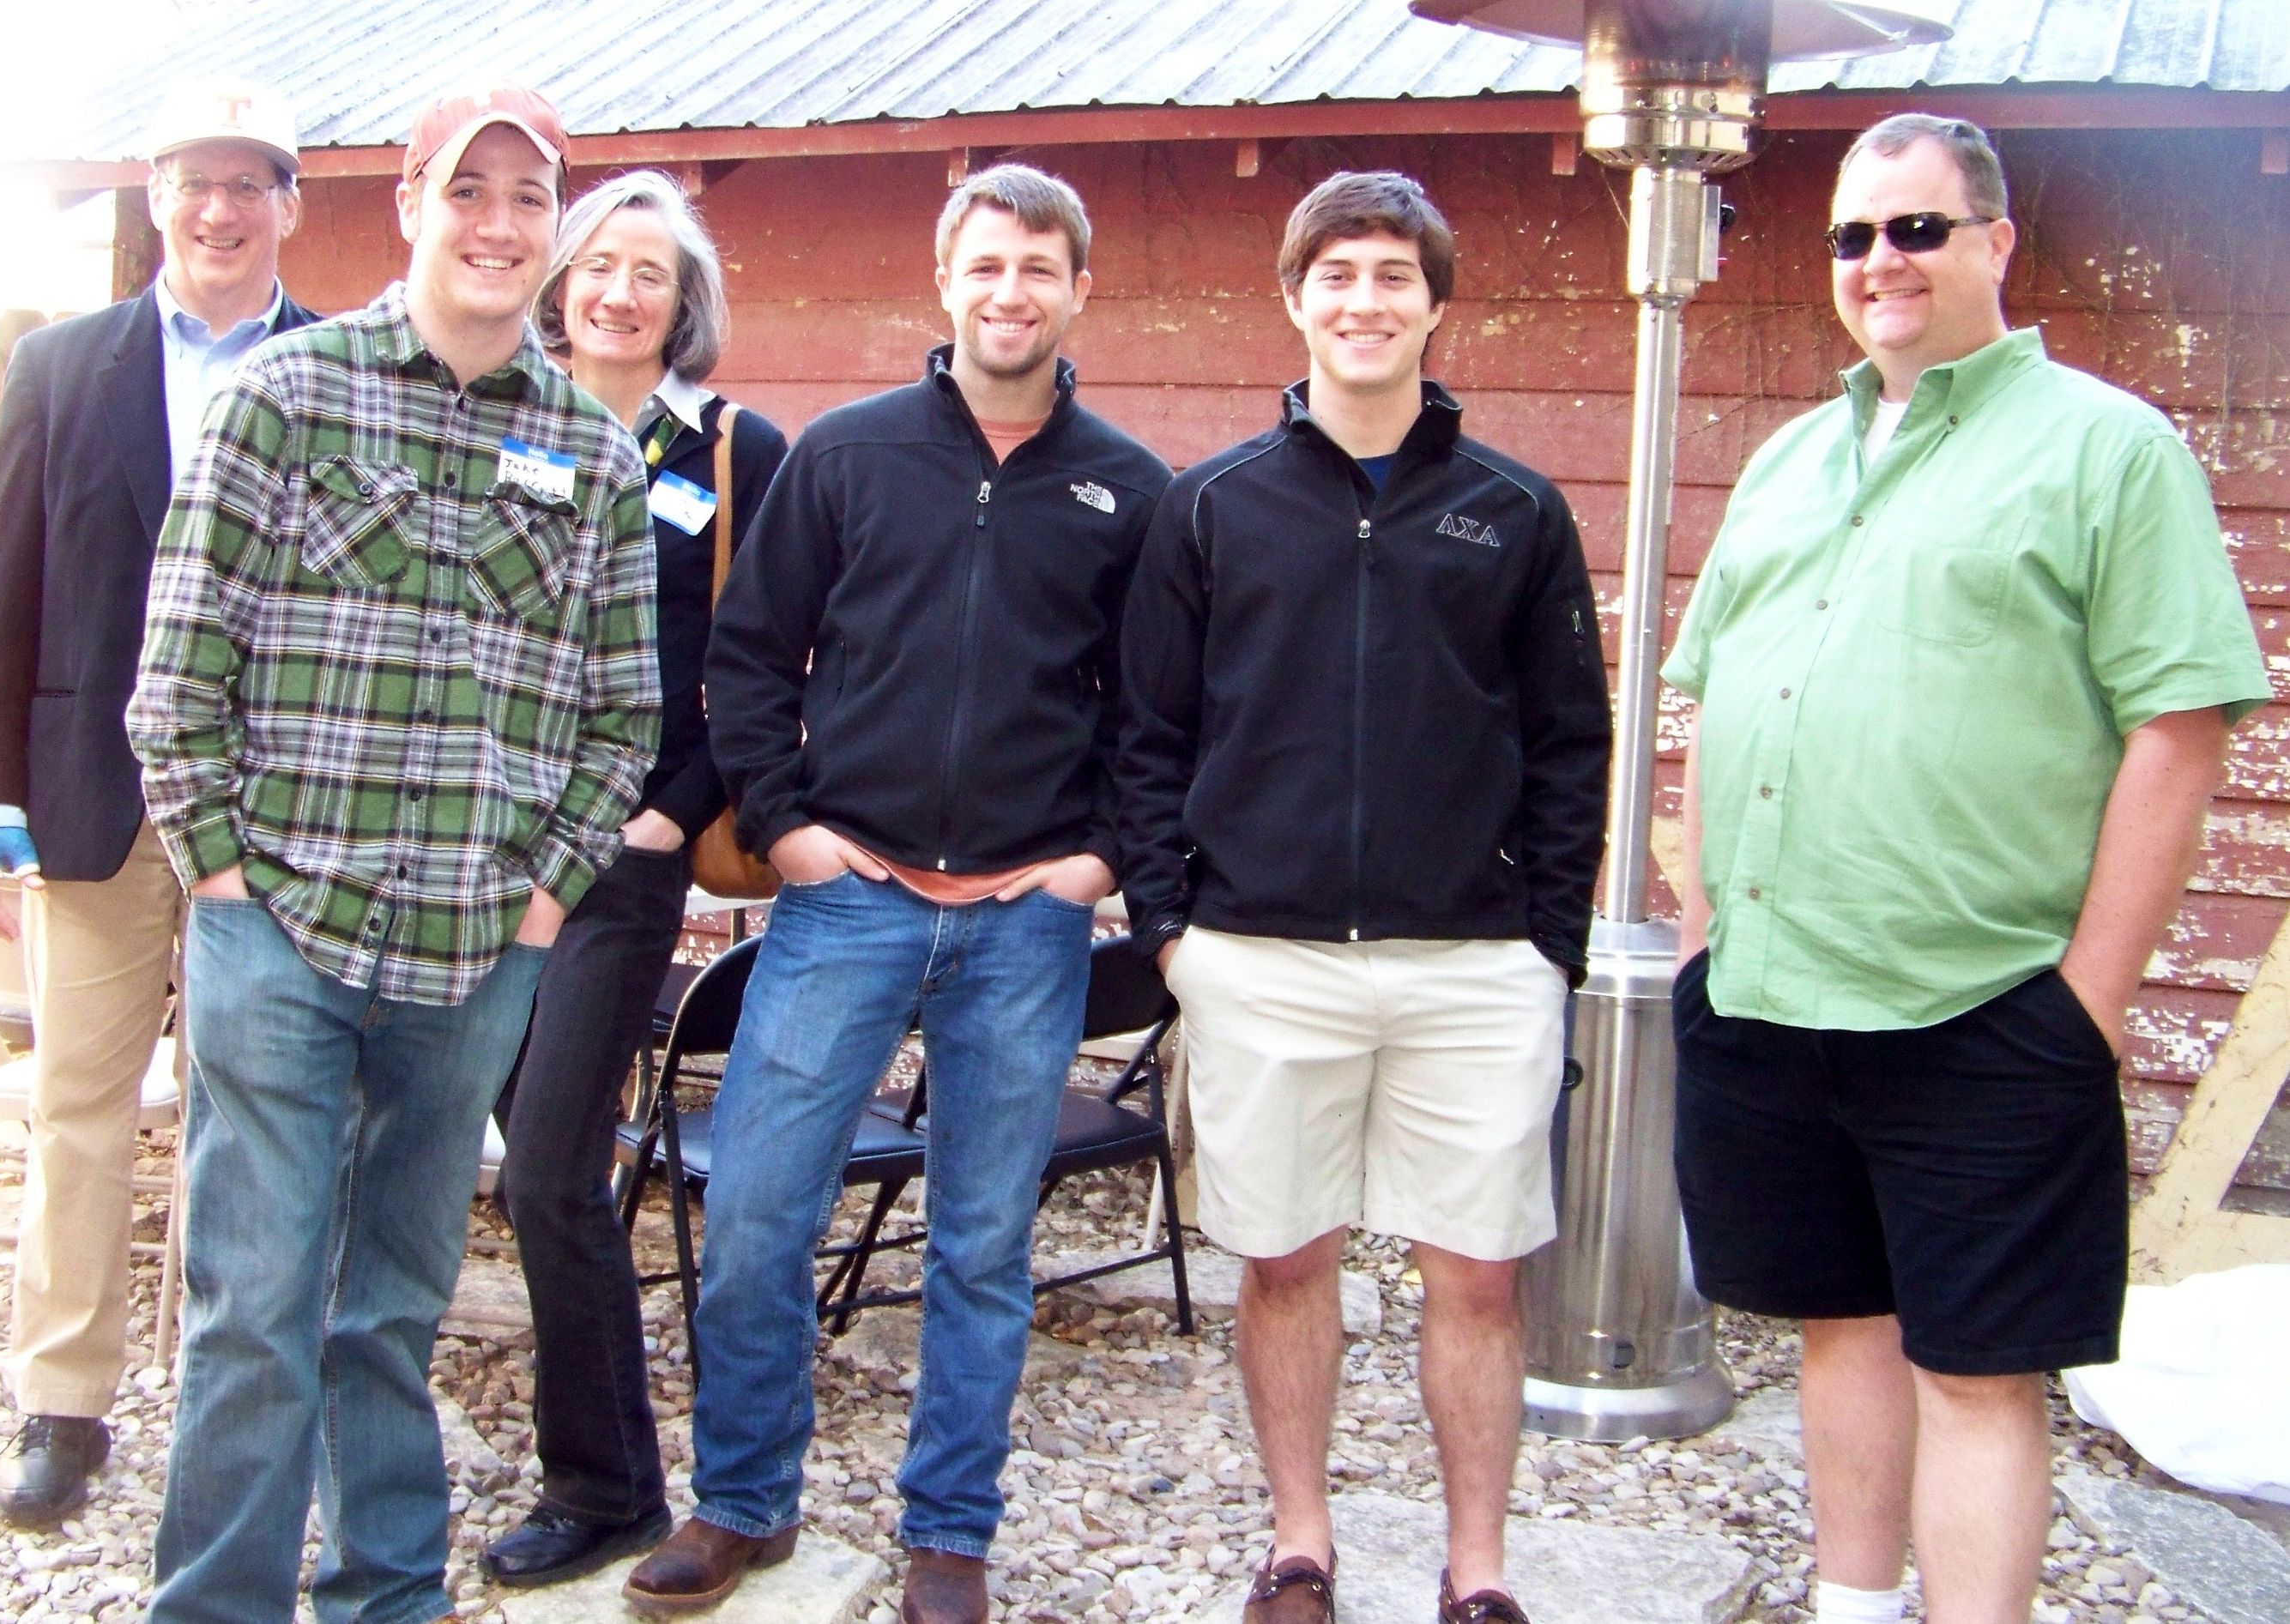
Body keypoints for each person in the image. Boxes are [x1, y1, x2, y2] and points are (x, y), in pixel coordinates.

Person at [1665, 114, 2269, 1624]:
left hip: (1984, 1005)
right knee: (1839, 1326)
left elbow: (2178, 727)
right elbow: (1710, 699)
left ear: (1994, 243)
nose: (1879, 260)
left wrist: (2085, 1003)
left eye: (1916, 229)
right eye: (1852, 236)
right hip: (1771, 993)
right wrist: (1697, 934)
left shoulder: (2105, 448)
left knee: (1981, 1376)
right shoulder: (1788, 462)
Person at [127, 83, 661, 1624]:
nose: (497, 225)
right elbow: (179, 671)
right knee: (253, 1306)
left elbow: (621, 717)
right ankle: (218, 1605)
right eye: (466, 191)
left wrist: (543, 902)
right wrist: (221, 877)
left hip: (475, 952)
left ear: (552, 229)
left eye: (527, 198)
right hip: (276, 931)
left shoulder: (593, 451)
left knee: (393, 1305)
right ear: (409, 206)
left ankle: (385, 1593)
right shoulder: (284, 396)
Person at [623, 164, 1169, 1624]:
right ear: (946, 281)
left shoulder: (1129, 489)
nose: (1010, 291)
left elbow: (1159, 709)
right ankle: (742, 1501)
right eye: (985, 264)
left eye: (1038, 267)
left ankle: (949, 1532)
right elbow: (750, 656)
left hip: (1025, 919)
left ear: (1078, 289)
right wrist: (788, 825)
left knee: (983, 1243)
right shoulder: (848, 455)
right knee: (754, 1212)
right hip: (846, 900)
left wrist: (1099, 859)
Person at [1117, 171, 1608, 1624]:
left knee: (1478, 1276)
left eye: (1394, 275)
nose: (1364, 301)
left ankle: (1477, 1567)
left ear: (1435, 305)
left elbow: (1568, 741)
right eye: (1336, 275)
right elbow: (1145, 736)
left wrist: (1549, 947)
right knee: (1285, 1263)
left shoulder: (1514, 510)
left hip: (1474, 963)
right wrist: (1172, 933)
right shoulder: (1210, 506)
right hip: (1260, 957)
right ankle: (1299, 1544)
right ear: (1295, 299)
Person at [0, 78, 317, 1529]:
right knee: (81, 1108)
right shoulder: (59, 365)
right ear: (156, 198)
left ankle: (243, 1403)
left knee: (262, 1115)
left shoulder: (342, 368)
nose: (218, 209)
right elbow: (1, 586)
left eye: (247, 183)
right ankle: (63, 1400)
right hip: (89, 801)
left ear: (289, 205)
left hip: (276, 824)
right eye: (192, 182)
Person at [478, 169, 787, 1591]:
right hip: (479, 853)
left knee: (549, 1168)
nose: (616, 292)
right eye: (596, 265)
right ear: (559, 281)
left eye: (647, 274)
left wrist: (675, 815)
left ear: (683, 302)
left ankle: (603, 1488)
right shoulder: (500, 418)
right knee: (531, 1157)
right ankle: (601, 1454)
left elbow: (767, 657)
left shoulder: (730, 450)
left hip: (618, 858)